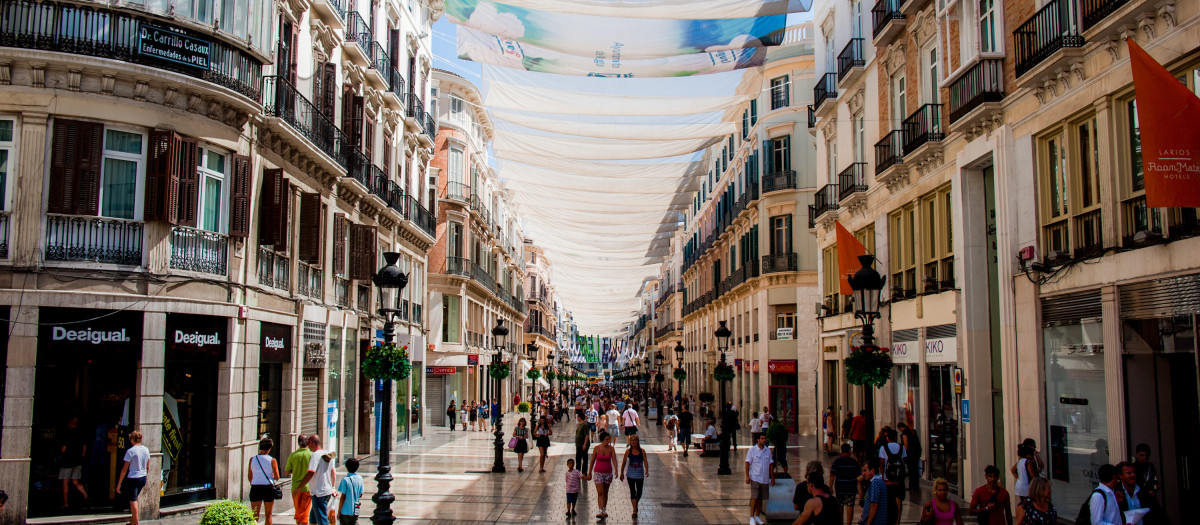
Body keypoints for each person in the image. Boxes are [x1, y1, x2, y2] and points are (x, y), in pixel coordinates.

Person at [298, 436, 336, 525]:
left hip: (319, 492)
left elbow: (310, 473)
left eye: (308, 443)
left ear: (311, 442)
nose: (308, 446)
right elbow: (333, 472)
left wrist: (299, 487)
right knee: (313, 518)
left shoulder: (315, 455)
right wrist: (333, 487)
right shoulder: (328, 453)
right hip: (326, 491)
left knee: (322, 520)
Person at [115, 430, 149, 525]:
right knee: (134, 499)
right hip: (142, 476)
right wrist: (146, 476)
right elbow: (148, 466)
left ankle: (135, 522)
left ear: (133, 439)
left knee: (133, 500)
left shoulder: (130, 451)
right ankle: (133, 521)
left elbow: (124, 469)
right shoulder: (146, 449)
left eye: (130, 438)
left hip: (133, 478)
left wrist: (119, 484)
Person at [247, 438, 281, 525]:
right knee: (268, 515)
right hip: (267, 487)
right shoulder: (272, 460)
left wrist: (254, 481)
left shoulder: (252, 459)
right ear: (269, 448)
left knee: (254, 515)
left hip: (255, 487)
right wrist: (272, 475)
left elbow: (250, 476)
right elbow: (277, 477)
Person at [745, 432, 776, 525]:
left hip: (765, 478)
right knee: (754, 497)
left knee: (761, 499)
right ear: (758, 440)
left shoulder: (767, 451)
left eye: (765, 438)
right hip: (755, 477)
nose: (764, 440)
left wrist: (772, 477)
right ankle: (751, 517)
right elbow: (747, 463)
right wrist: (747, 476)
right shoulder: (752, 450)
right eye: (762, 438)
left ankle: (757, 516)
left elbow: (770, 464)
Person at [58, 416, 89, 508]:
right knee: (75, 481)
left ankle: (66, 503)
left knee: (65, 482)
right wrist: (81, 457)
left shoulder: (67, 433)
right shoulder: (81, 433)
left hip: (67, 461)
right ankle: (85, 495)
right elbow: (84, 447)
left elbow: (63, 449)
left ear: (70, 423)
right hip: (78, 461)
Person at [588, 431, 618, 519]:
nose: (608, 441)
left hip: (608, 473)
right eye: (606, 439)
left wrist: (616, 470)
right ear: (602, 440)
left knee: (605, 492)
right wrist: (589, 471)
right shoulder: (596, 448)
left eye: (609, 439)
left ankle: (604, 509)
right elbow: (592, 460)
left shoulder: (611, 449)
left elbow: (614, 460)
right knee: (600, 492)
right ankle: (600, 510)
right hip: (598, 473)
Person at [829, 443, 861, 525]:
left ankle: (840, 522)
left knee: (840, 506)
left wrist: (830, 486)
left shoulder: (837, 461)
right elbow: (859, 475)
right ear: (849, 451)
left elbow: (832, 475)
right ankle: (849, 523)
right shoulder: (853, 462)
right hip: (851, 488)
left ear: (841, 451)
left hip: (840, 488)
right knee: (850, 506)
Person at [285, 434, 313, 525]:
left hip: (295, 488)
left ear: (298, 443)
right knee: (304, 513)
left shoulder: (293, 455)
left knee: (298, 511)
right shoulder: (312, 455)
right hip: (308, 487)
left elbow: (287, 472)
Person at [620, 434, 650, 518]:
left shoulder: (642, 451)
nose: (633, 442)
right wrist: (621, 473)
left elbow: (645, 461)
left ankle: (635, 503)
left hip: (640, 475)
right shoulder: (628, 452)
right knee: (633, 491)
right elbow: (623, 463)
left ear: (637, 442)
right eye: (631, 441)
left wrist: (647, 470)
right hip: (630, 474)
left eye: (634, 440)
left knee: (639, 492)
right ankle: (634, 510)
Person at [332, 457, 363, 525]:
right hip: (355, 510)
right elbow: (360, 494)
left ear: (346, 467)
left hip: (345, 511)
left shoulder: (345, 480)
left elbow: (343, 497)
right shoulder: (360, 478)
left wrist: (339, 512)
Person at [862, 458, 889, 525]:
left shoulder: (875, 483)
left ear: (872, 470)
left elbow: (874, 505)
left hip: (876, 522)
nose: (863, 474)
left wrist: (868, 523)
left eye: (865, 471)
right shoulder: (878, 482)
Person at [897, 422, 921, 490]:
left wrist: (904, 454)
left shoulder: (904, 433)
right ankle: (916, 485)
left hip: (910, 454)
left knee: (911, 470)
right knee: (915, 470)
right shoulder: (912, 431)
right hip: (916, 453)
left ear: (900, 428)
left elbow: (906, 445)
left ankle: (912, 486)